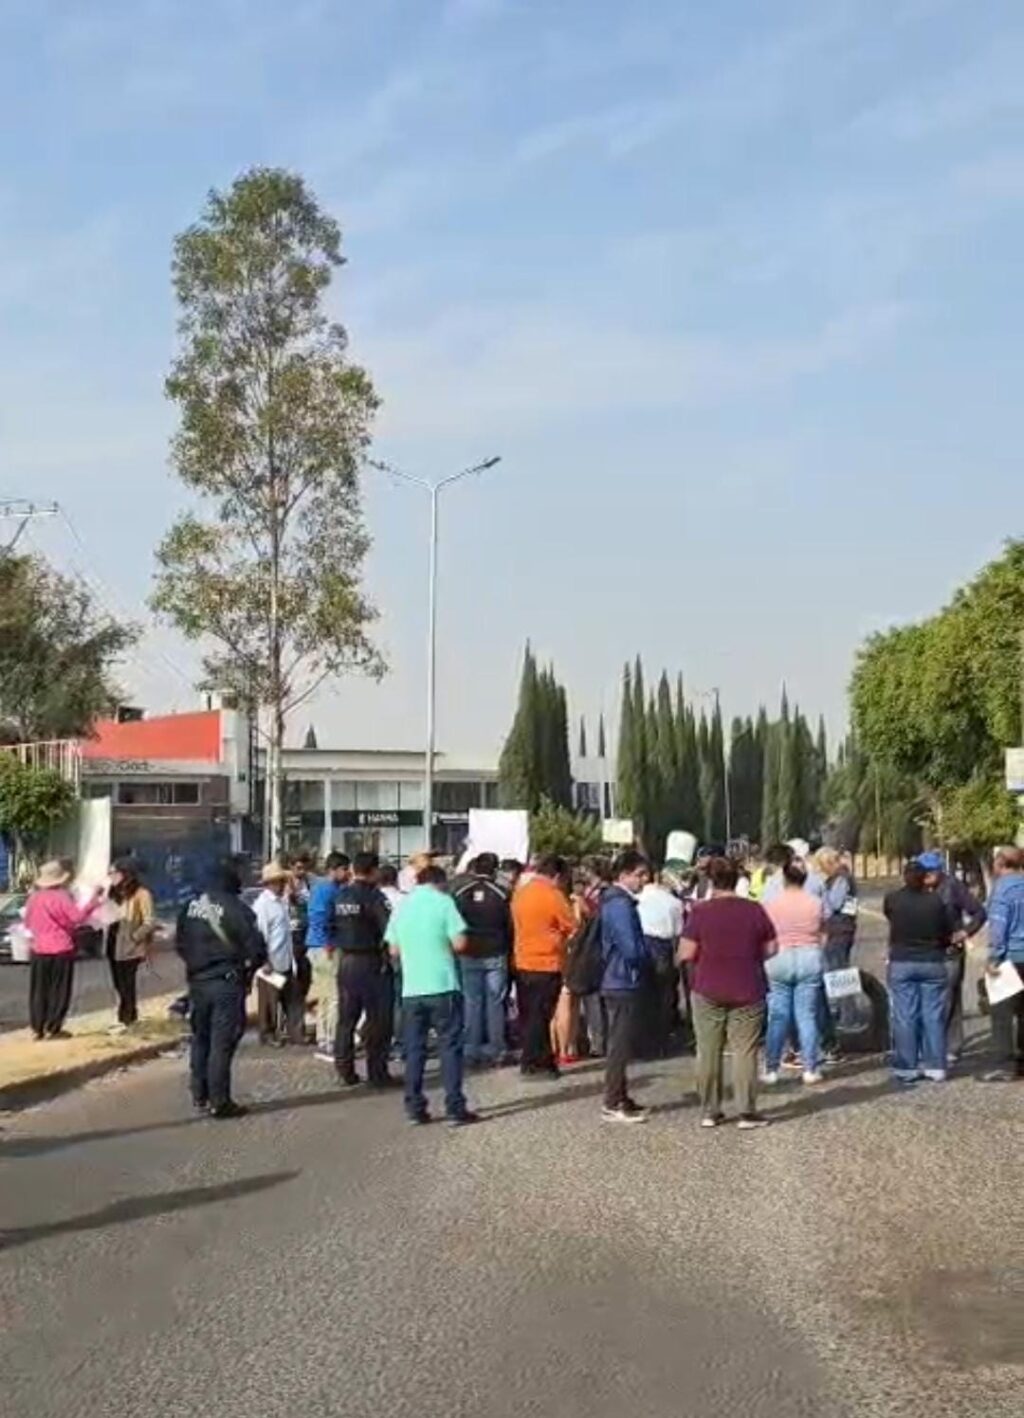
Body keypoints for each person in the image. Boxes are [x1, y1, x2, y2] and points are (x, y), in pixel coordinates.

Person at [680, 856, 777, 1129]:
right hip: (748, 986)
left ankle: (710, 1111)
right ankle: (746, 1111)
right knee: (745, 1050)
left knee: (708, 1050)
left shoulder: (700, 912)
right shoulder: (754, 910)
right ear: (738, 879)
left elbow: (686, 952)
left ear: (711, 880)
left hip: (707, 986)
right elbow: (771, 948)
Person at [386, 864, 476, 1125]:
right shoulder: (444, 903)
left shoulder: (402, 906)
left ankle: (414, 1107)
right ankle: (454, 1108)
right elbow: (460, 943)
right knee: (450, 1047)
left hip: (412, 989)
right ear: (440, 882)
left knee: (414, 1050)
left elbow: (393, 950)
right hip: (443, 985)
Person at [176, 858, 265, 1118]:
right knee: (221, 1043)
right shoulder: (238, 909)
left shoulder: (190, 906)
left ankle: (199, 1094)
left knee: (201, 1038)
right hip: (226, 982)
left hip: (197, 983)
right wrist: (247, 972)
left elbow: (180, 944)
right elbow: (257, 950)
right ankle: (220, 1101)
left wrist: (196, 965)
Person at [884, 861, 962, 1085]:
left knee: (905, 1015)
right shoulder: (935, 901)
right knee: (933, 1014)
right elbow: (946, 930)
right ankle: (936, 1065)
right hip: (932, 960)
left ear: (904, 877)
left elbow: (890, 917)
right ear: (924, 879)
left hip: (902, 960)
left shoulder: (892, 899)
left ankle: (907, 1066)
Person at [916, 850, 986, 1065]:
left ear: (939, 870)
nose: (927, 876)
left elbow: (979, 912)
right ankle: (940, 1045)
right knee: (936, 999)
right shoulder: (916, 887)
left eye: (931, 871)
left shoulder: (952, 886)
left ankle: (947, 1047)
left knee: (947, 999)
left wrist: (966, 932)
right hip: (925, 951)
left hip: (950, 952)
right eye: (924, 872)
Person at [762, 859, 826, 1085]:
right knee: (807, 1015)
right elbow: (823, 931)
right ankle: (810, 1068)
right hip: (808, 956)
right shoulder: (815, 902)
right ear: (805, 879)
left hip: (780, 956)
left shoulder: (772, 904)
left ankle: (771, 1069)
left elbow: (765, 934)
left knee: (778, 1016)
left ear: (784, 878)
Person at [600, 850, 653, 1123]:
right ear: (624, 875)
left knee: (621, 1039)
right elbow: (630, 947)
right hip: (622, 978)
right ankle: (612, 1100)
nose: (644, 880)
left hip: (618, 976)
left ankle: (620, 1095)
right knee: (620, 1042)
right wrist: (645, 958)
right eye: (639, 875)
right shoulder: (620, 905)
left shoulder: (615, 901)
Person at [334, 851, 395, 1087]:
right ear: (374, 871)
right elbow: (388, 929)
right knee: (378, 1019)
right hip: (370, 961)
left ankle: (345, 1069)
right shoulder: (375, 896)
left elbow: (330, 925)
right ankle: (377, 1072)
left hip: (346, 961)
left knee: (346, 1019)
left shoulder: (341, 895)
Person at [512, 854, 576, 1078]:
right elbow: (571, 924)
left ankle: (532, 1059)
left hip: (523, 961)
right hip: (547, 962)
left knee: (528, 1014)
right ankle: (538, 1062)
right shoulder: (553, 895)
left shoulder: (521, 893)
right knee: (542, 1015)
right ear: (557, 875)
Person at [24, 861, 102, 1041]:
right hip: (60, 948)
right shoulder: (62, 897)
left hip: (38, 949)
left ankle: (37, 1028)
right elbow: (77, 918)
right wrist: (93, 903)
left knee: (39, 989)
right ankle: (54, 1027)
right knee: (59, 989)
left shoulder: (34, 898)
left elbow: (27, 922)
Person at [453, 852, 513, 1068]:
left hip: (469, 952)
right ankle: (497, 1049)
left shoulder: (461, 893)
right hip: (495, 951)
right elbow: (510, 925)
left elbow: (455, 923)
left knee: (472, 1001)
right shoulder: (503, 893)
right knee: (495, 1001)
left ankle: (471, 1049)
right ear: (494, 870)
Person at [979, 846, 1024, 1082]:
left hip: (1010, 958)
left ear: (1000, 863)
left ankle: (1004, 1065)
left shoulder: (1002, 890)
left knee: (1002, 1014)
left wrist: (993, 958)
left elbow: (998, 928)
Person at [305, 851, 350, 1062]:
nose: (347, 873)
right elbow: (320, 917)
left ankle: (323, 1037)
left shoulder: (321, 888)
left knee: (323, 994)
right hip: (326, 947)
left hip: (316, 945)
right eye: (344, 869)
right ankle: (332, 1039)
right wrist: (328, 942)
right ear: (334, 869)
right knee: (333, 995)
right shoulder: (328, 890)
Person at [254, 862, 305, 1046]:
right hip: (271, 960)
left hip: (285, 959)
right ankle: (267, 1034)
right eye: (279, 881)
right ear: (270, 883)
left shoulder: (281, 902)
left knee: (293, 998)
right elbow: (260, 934)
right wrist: (264, 960)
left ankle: (295, 1033)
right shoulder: (262, 905)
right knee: (269, 1001)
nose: (283, 884)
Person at [105, 858, 157, 1034]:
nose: (111, 876)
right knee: (118, 982)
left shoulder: (142, 894)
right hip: (113, 941)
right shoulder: (113, 893)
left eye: (114, 873)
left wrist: (135, 937)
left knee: (127, 983)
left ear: (126, 874)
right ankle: (125, 1015)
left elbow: (150, 921)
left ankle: (127, 1017)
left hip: (129, 946)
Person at [637, 870, 684, 1057]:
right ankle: (662, 1040)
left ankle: (644, 1040)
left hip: (643, 944)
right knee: (665, 996)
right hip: (665, 947)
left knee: (644, 995)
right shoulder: (674, 902)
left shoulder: (637, 899)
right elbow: (679, 932)